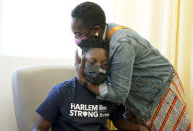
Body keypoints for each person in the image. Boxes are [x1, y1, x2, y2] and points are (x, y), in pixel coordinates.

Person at [71, 2, 192, 130]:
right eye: (74, 33)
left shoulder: (121, 43)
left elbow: (119, 94)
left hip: (159, 92)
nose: (76, 39)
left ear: (96, 29)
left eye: (79, 34)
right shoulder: (100, 37)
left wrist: (84, 81)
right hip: (136, 96)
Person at [32, 38, 149, 131]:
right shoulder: (62, 91)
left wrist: (138, 128)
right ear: (80, 61)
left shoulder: (109, 93)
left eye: (104, 64)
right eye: (92, 62)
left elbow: (119, 122)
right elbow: (39, 128)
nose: (99, 68)